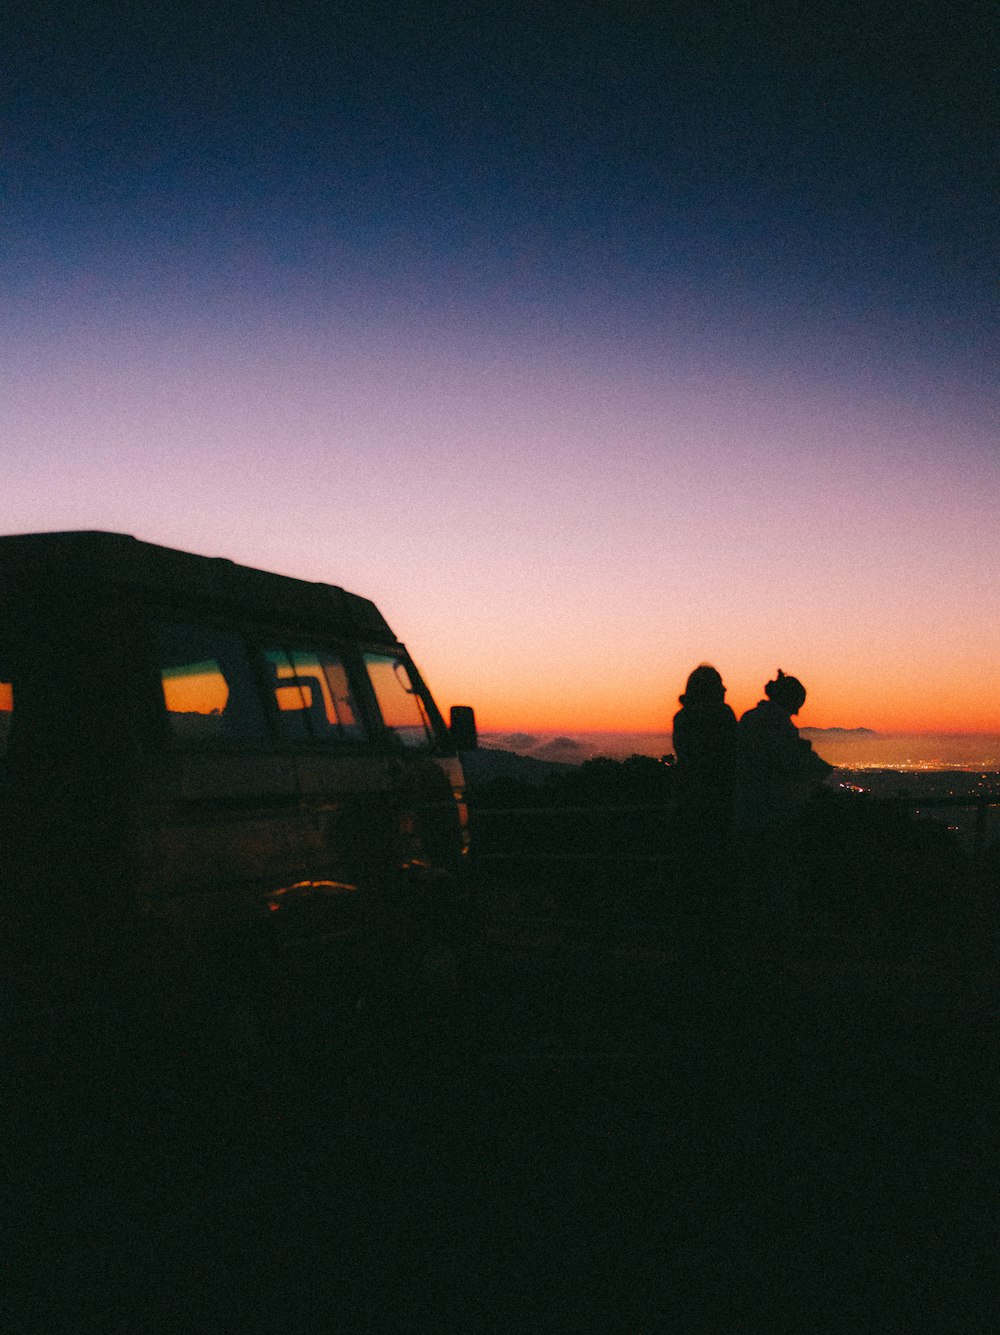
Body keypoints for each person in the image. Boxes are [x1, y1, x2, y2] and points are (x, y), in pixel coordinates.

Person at [736, 669, 833, 836]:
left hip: (744, 800)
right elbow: (783, 760)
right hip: (767, 805)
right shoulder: (777, 723)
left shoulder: (751, 716)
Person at [672, 664, 739, 833]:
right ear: (710, 688)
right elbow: (733, 752)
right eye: (719, 684)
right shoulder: (722, 714)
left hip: (686, 798)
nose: (725, 688)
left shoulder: (682, 718)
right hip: (719, 799)